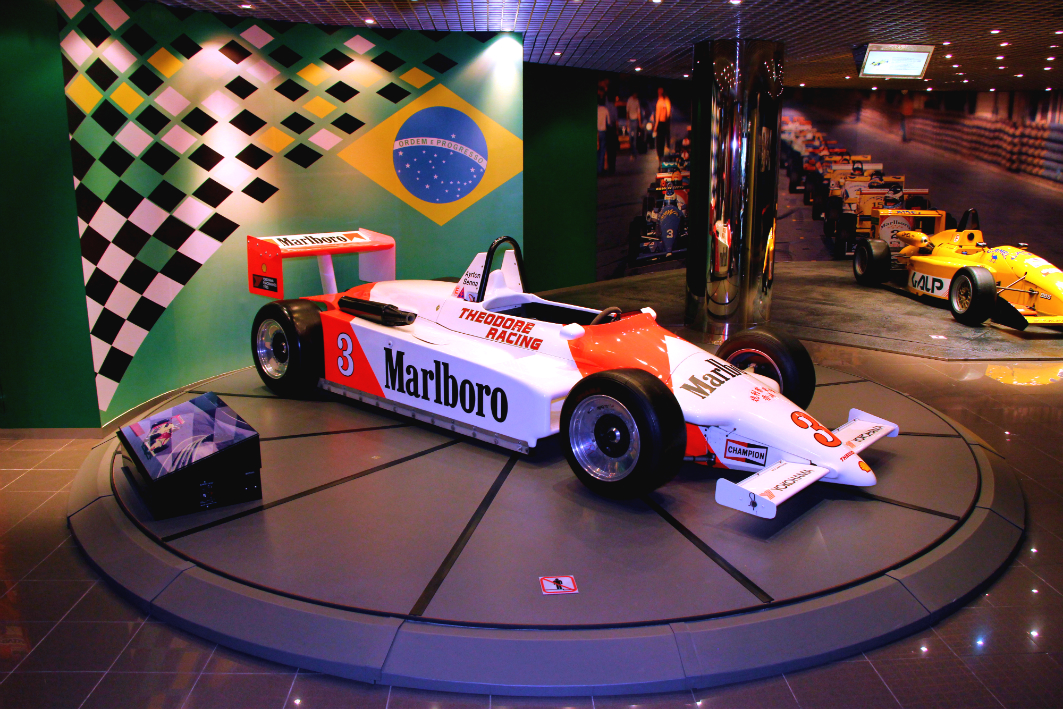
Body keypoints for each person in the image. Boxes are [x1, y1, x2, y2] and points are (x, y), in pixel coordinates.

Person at [653, 87, 672, 162]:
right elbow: (668, 112)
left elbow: (657, 115)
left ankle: (660, 155)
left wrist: (655, 126)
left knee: (659, 141)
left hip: (660, 123)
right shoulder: (666, 101)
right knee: (663, 140)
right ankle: (662, 155)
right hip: (665, 123)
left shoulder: (659, 102)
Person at [597, 95, 611, 174]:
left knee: (597, 151)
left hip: (596, 131)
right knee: (602, 150)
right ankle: (600, 168)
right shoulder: (605, 110)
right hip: (603, 131)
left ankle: (597, 168)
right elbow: (608, 122)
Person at [626, 92, 642, 158]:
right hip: (630, 119)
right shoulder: (629, 100)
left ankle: (634, 151)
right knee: (630, 137)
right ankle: (631, 149)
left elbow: (638, 112)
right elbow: (627, 111)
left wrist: (639, 122)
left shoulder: (637, 101)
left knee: (635, 136)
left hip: (635, 120)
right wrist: (627, 121)